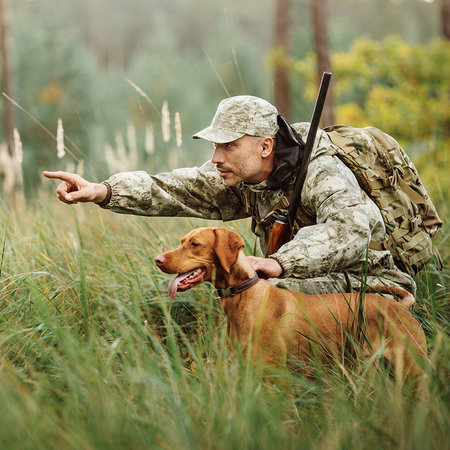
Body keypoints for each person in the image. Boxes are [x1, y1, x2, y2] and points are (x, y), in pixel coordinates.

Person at [44, 95, 415, 295]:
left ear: (266, 146)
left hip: (372, 280)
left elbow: (351, 229)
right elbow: (173, 188)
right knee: (256, 289)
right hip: (303, 278)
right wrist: (101, 190)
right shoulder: (240, 174)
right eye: (215, 146)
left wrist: (279, 263)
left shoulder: (320, 170)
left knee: (270, 289)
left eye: (229, 146)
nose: (216, 158)